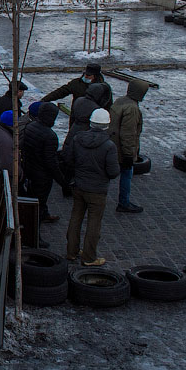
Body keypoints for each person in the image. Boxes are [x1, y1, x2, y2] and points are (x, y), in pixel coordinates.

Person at [65, 108, 119, 266]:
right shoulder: (109, 146)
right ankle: (89, 257)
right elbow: (113, 172)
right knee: (94, 223)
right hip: (97, 190)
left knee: (76, 217)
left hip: (79, 185)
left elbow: (69, 159)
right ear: (107, 125)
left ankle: (71, 251)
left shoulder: (78, 138)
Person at [23, 101, 69, 224]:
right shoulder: (50, 136)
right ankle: (35, 231)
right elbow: (51, 162)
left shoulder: (30, 126)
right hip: (42, 176)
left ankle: (43, 214)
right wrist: (62, 181)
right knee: (39, 201)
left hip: (30, 169)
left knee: (33, 198)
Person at [110, 80, 149, 213]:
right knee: (126, 174)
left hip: (112, 144)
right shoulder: (132, 108)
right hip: (122, 149)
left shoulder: (121, 101)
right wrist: (128, 154)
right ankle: (124, 202)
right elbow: (128, 134)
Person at [61, 82, 113, 162]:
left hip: (72, 134)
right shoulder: (95, 110)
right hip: (84, 140)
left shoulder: (79, 101)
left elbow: (72, 119)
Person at [42, 64, 111, 109]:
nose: (86, 76)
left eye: (89, 75)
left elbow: (108, 105)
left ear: (95, 76)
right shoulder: (77, 83)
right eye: (85, 74)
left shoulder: (103, 88)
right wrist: (45, 99)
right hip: (76, 118)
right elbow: (61, 92)